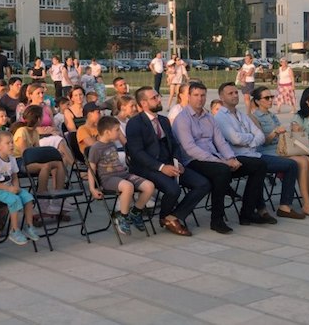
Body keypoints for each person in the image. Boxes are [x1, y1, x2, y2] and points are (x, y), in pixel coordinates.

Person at [172, 82, 268, 234]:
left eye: (203, 95)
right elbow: (190, 149)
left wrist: (231, 157)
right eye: (196, 95)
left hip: (216, 158)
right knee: (222, 171)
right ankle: (217, 220)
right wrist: (222, 161)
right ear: (189, 97)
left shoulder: (209, 117)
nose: (200, 99)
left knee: (258, 164)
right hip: (193, 162)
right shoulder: (182, 119)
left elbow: (220, 141)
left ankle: (247, 213)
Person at [126, 87, 210, 236]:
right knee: (173, 190)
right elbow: (137, 153)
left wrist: (178, 163)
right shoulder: (135, 123)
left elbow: (174, 144)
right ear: (144, 103)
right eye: (154, 98)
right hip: (147, 167)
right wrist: (161, 167)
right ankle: (166, 217)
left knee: (203, 184)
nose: (159, 99)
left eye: (158, 96)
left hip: (170, 164)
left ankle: (172, 217)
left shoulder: (163, 120)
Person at [214, 83, 303, 220]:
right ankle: (260, 209)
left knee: (291, 165)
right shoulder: (220, 117)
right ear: (222, 97)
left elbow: (260, 135)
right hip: (238, 157)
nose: (235, 95)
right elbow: (235, 139)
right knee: (258, 167)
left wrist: (251, 141)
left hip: (254, 153)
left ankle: (285, 206)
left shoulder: (241, 115)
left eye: (236, 93)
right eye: (230, 93)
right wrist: (251, 138)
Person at [251, 87, 309, 218]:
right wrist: (275, 132)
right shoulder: (254, 117)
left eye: (272, 97)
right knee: (302, 162)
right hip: (267, 152)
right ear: (258, 101)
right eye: (267, 98)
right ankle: (307, 204)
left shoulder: (272, 115)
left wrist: (295, 131)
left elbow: (282, 136)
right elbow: (261, 142)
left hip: (280, 149)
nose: (271, 100)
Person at [88, 116, 155, 235]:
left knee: (149, 186)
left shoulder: (112, 144)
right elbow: (91, 168)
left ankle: (135, 212)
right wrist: (92, 188)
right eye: (117, 130)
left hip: (123, 175)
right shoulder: (96, 148)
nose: (119, 133)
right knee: (128, 187)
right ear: (107, 132)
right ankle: (122, 217)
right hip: (108, 179)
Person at [0, 131, 41, 245]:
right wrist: (9, 189)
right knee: (14, 200)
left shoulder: (12, 158)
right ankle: (14, 230)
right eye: (8, 143)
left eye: (12, 142)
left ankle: (29, 226)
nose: (11, 145)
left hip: (9, 187)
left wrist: (16, 187)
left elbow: (14, 176)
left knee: (28, 198)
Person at [14, 105, 66, 214]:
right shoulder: (21, 131)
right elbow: (25, 153)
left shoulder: (34, 132)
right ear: (38, 119)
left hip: (33, 160)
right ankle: (42, 200)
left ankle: (58, 199)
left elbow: (37, 150)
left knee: (58, 164)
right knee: (45, 166)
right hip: (20, 162)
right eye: (42, 117)